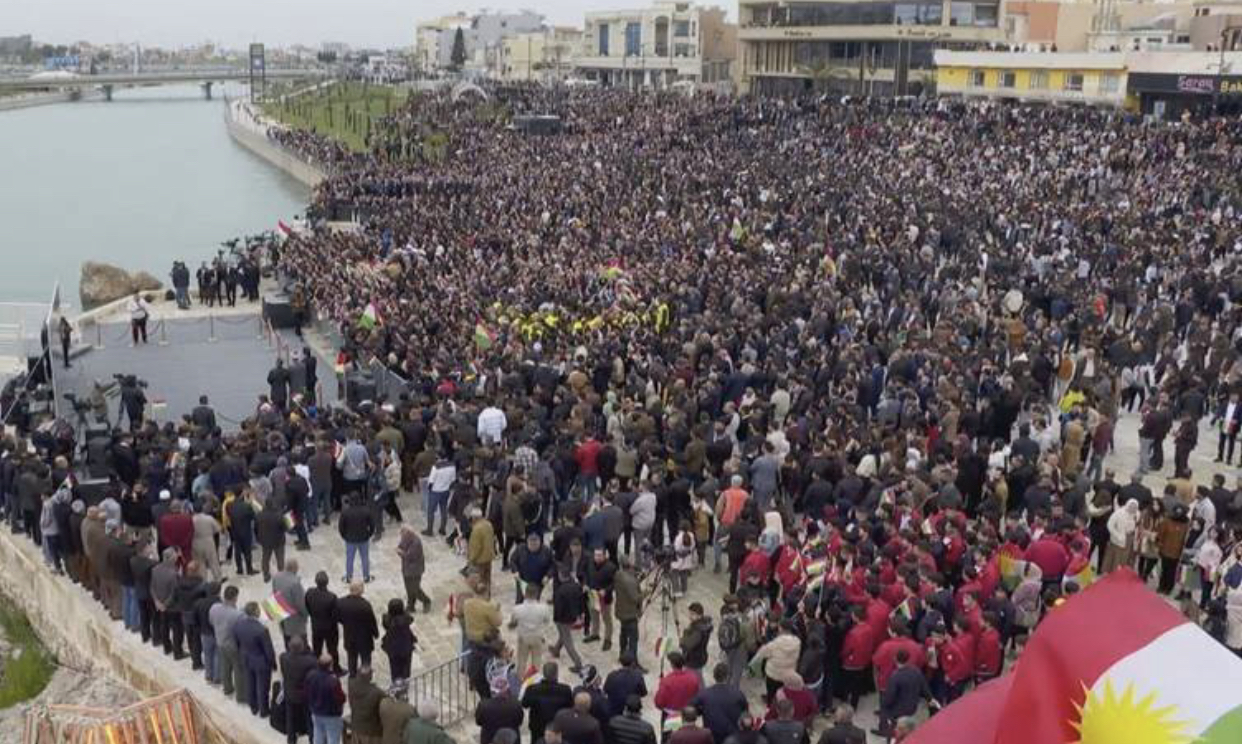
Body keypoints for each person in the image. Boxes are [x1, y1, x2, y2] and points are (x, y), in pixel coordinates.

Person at [234, 600, 277, 717]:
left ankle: (253, 707)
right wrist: (273, 664)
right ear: (255, 612)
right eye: (258, 609)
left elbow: (237, 643)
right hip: (261, 662)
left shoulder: (238, 625)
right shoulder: (262, 630)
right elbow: (268, 650)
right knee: (263, 687)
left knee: (250, 683)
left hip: (246, 658)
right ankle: (264, 710)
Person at [877, 649, 930, 738]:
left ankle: (888, 735)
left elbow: (890, 696)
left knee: (892, 725)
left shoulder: (895, 676)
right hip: (912, 707)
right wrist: (930, 699)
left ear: (895, 659)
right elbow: (924, 687)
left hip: (897, 710)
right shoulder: (916, 670)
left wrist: (884, 705)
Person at [691, 663, 748, 744]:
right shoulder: (738, 693)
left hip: (712, 735)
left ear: (714, 676)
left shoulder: (704, 694)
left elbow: (691, 707)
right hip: (732, 735)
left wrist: (701, 711)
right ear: (728, 676)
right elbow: (745, 711)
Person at [210, 584, 247, 704]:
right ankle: (241, 696)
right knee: (238, 669)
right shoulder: (237, 614)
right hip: (232, 645)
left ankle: (227, 689)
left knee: (225, 667)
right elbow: (242, 631)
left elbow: (211, 621)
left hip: (219, 641)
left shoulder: (214, 607)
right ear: (235, 597)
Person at [523, 662, 575, 742]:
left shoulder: (532, 689)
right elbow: (570, 707)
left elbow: (525, 704)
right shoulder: (565, 690)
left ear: (543, 674)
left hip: (537, 728)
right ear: (556, 674)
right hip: (556, 729)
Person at [281, 636, 318, 744]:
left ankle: (291, 739)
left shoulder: (283, 657)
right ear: (302, 647)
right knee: (309, 718)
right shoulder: (310, 661)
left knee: (290, 718)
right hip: (304, 694)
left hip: (289, 692)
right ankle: (312, 739)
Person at [338, 580, 379, 677]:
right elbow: (371, 622)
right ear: (360, 590)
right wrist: (375, 633)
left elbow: (338, 617)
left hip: (349, 636)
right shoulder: (365, 605)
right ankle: (365, 679)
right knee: (366, 660)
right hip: (364, 639)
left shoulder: (341, 603)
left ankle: (352, 678)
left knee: (351, 659)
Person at [510, 583, 553, 675]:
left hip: (523, 638)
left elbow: (513, 622)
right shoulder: (544, 608)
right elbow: (547, 621)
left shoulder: (517, 609)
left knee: (521, 661)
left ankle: (520, 679)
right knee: (536, 661)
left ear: (525, 594)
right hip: (537, 636)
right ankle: (534, 679)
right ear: (537, 594)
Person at [550, 567, 586, 672]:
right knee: (564, 634)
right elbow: (581, 601)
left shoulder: (560, 591)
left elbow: (558, 608)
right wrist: (579, 614)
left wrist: (556, 619)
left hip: (563, 618)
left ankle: (578, 664)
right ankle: (556, 650)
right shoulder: (577, 586)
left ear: (561, 576)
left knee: (568, 641)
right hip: (573, 616)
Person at [306, 654, 346, 744]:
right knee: (333, 738)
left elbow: (306, 692)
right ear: (330, 665)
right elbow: (341, 698)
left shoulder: (310, 675)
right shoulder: (333, 681)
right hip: (331, 715)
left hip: (315, 712)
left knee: (318, 735)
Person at [273, 558, 310, 649]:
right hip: (294, 621)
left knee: (286, 639)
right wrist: (306, 615)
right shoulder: (295, 583)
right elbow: (300, 604)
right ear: (295, 568)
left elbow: (274, 594)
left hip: (281, 615)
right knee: (300, 643)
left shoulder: (277, 577)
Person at [476, 676, 525, 744]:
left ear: (492, 690)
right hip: (511, 739)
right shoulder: (516, 704)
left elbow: (478, 722)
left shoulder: (483, 705)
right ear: (507, 690)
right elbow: (519, 721)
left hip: (489, 739)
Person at [340, 494, 376, 583]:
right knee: (365, 558)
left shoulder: (345, 512)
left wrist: (345, 536)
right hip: (363, 538)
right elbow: (372, 525)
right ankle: (366, 577)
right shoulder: (366, 511)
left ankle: (349, 577)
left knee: (349, 558)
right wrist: (369, 534)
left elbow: (341, 527)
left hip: (350, 539)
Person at [382, 598, 417, 686]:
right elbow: (411, 619)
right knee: (406, 667)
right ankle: (405, 684)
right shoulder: (405, 619)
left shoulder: (387, 618)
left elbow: (385, 625)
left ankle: (396, 684)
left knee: (394, 667)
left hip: (392, 646)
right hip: (405, 646)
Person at [398, 524, 433, 614]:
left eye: (403, 535)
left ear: (409, 533)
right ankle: (411, 606)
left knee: (415, 589)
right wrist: (400, 551)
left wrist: (401, 553)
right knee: (408, 588)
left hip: (415, 570)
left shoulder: (416, 542)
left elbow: (410, 556)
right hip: (406, 568)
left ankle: (426, 601)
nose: (402, 537)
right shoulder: (405, 538)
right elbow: (400, 546)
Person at [603, 653, 648, 719]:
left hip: (614, 711)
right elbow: (644, 693)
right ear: (633, 663)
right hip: (631, 711)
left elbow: (605, 690)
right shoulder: (638, 676)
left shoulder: (611, 675)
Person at [348, 667, 386, 744]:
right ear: (370, 677)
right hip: (371, 730)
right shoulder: (377, 692)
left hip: (356, 726)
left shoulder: (352, 686)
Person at [679, 603, 714, 687]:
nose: (690, 616)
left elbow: (688, 645)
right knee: (698, 676)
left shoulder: (698, 630)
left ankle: (702, 694)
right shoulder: (702, 625)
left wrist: (684, 637)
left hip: (693, 659)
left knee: (697, 679)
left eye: (692, 614)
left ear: (699, 615)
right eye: (690, 613)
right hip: (699, 656)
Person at [469, 506, 497, 597]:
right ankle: (488, 594)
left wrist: (471, 559)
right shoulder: (488, 524)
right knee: (487, 578)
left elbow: (476, 547)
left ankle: (481, 597)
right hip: (489, 556)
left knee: (480, 580)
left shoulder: (476, 529)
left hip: (480, 559)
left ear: (474, 518)